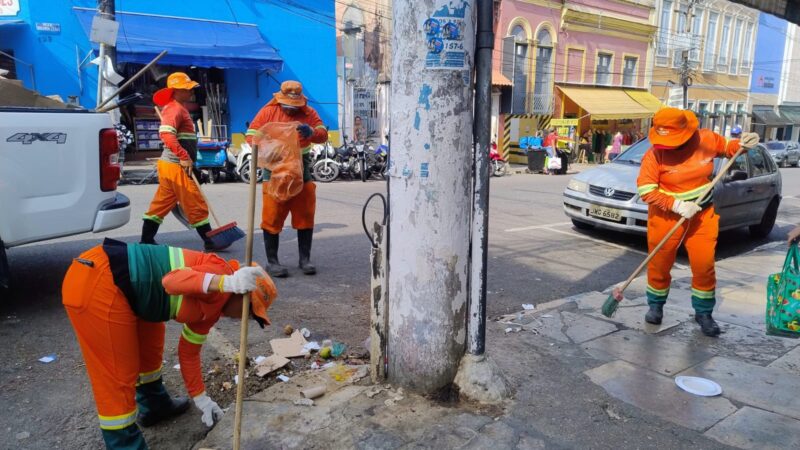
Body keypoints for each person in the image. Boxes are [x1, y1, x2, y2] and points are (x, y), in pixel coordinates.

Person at [62, 239, 277, 449]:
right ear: (242, 292)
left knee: (151, 345)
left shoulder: (213, 312)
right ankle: (124, 443)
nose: (245, 319)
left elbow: (189, 353)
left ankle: (154, 403)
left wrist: (201, 399)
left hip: (134, 295)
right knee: (117, 374)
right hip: (99, 280)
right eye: (250, 311)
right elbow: (171, 281)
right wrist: (224, 283)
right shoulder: (220, 274)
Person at [636, 108, 759, 336]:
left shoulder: (705, 139)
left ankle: (704, 313)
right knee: (660, 262)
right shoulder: (654, 155)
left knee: (703, 265)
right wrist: (677, 205)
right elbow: (646, 189)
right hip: (666, 215)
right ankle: (656, 306)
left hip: (702, 215)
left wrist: (742, 144)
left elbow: (728, 148)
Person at [245, 81, 328, 277]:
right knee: (272, 215)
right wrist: (270, 147)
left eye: (295, 107)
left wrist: (312, 132)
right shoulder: (267, 112)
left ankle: (304, 260)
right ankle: (272, 262)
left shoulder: (309, 113)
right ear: (279, 100)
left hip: (301, 170)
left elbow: (323, 134)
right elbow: (251, 136)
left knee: (305, 212)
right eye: (287, 106)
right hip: (274, 170)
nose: (291, 110)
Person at [140, 73, 225, 251]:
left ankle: (146, 240)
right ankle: (210, 241)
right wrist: (184, 156)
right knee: (195, 203)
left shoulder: (177, 108)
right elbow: (166, 135)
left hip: (170, 165)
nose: (192, 91)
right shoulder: (174, 109)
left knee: (161, 204)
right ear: (177, 90)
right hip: (175, 165)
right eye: (188, 88)